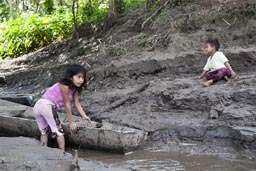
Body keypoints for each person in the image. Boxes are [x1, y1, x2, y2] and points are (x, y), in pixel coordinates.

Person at [33, 64, 91, 151]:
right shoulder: (65, 87)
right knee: (59, 132)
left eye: (82, 78)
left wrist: (84, 116)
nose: (81, 80)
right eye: (78, 77)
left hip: (38, 106)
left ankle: (43, 150)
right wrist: (71, 122)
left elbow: (77, 103)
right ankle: (62, 152)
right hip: (46, 106)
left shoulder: (74, 88)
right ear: (71, 77)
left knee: (44, 131)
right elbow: (67, 105)